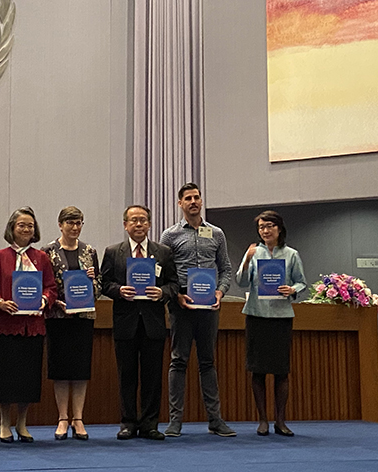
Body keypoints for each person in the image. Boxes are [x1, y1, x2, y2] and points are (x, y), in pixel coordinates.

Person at [160, 182, 236, 438]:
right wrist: (177, 295)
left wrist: (220, 292)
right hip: (181, 306)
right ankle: (175, 422)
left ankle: (215, 421)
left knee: (208, 362)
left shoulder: (217, 234)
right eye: (188, 198)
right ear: (180, 204)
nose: (193, 201)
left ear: (201, 201)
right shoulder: (169, 235)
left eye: (197, 197)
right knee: (178, 361)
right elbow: (164, 273)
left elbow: (225, 269)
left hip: (209, 307)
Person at [100, 205, 178, 441]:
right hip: (126, 322)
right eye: (133, 220)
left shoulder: (163, 252)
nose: (138, 224)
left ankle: (150, 424)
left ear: (150, 224)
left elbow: (174, 284)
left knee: (153, 377)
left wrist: (162, 292)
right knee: (127, 375)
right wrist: (119, 290)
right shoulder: (114, 252)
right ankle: (128, 422)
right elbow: (104, 283)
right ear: (125, 225)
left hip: (153, 323)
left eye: (143, 220)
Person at [0, 207, 57, 443]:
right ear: (12, 229)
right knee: (6, 376)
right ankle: (4, 422)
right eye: (21, 225)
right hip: (5, 324)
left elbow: (51, 287)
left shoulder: (41, 258)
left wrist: (45, 299)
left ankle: (22, 423)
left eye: (30, 226)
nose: (26, 229)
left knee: (28, 377)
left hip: (32, 326)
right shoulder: (0, 257)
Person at [236, 210, 307, 437]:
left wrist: (292, 289)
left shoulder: (292, 254)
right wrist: (246, 259)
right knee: (257, 370)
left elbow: (302, 282)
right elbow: (240, 281)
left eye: (269, 226)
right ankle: (262, 420)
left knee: (281, 371)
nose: (265, 231)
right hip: (257, 315)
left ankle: (280, 420)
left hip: (281, 317)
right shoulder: (254, 253)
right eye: (261, 227)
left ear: (279, 229)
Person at [42, 206, 101, 441]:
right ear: (60, 225)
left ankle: (78, 418)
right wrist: (56, 303)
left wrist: (92, 283)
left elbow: (99, 288)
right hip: (58, 317)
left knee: (79, 369)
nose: (75, 227)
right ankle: (62, 418)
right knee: (60, 369)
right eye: (70, 223)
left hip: (83, 318)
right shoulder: (47, 252)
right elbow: (45, 285)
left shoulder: (90, 251)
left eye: (79, 223)